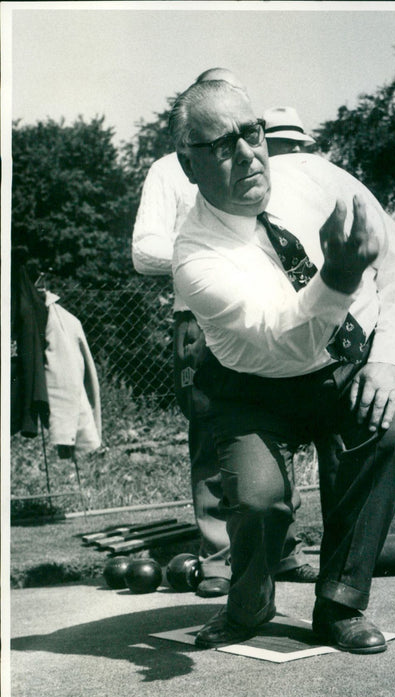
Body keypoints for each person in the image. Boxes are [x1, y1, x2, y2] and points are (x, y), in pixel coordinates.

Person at [170, 79, 395, 652]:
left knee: (389, 432)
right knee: (259, 500)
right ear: (189, 165)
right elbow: (280, 334)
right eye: (222, 146)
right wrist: (337, 278)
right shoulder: (193, 257)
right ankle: (250, 605)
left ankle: (339, 605)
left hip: (344, 370)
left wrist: (388, 360)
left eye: (252, 133)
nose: (248, 155)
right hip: (251, 390)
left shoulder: (318, 178)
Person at [131, 68, 318, 596]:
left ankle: (282, 550)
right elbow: (142, 248)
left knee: (274, 429)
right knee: (215, 436)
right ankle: (218, 558)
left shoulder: (261, 168)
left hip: (273, 312)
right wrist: (209, 255)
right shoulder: (169, 171)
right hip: (201, 317)